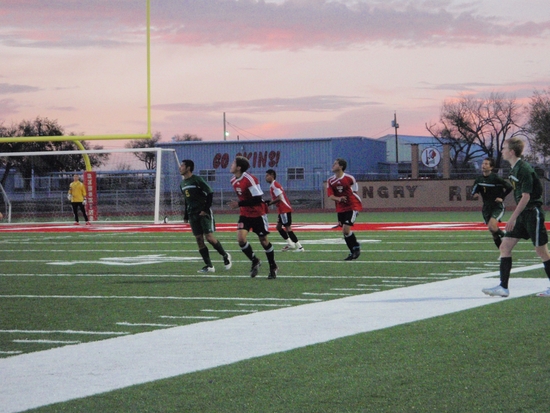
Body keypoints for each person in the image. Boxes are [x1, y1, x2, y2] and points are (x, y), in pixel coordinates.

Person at [482, 137, 550, 298]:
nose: (502, 151)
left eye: (504, 148)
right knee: (504, 247)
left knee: (542, 251)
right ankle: (503, 287)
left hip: (533, 213)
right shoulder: (514, 169)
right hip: (523, 215)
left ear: (511, 152)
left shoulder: (524, 169)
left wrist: (512, 218)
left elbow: (526, 196)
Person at [228, 156, 278, 279]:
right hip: (245, 214)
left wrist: (238, 204)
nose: (231, 165)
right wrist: (240, 205)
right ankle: (255, 260)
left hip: (258, 214)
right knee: (241, 239)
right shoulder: (233, 180)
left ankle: (273, 266)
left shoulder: (250, 179)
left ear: (239, 167)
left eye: (233, 163)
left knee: (264, 241)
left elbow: (256, 199)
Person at [179, 160, 232, 273]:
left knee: (209, 237)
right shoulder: (182, 184)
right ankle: (209, 266)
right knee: (199, 239)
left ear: (188, 168)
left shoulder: (197, 180)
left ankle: (225, 255)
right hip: (192, 214)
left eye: (182, 165)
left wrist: (205, 209)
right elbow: (186, 200)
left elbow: (210, 193)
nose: (180, 167)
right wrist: (185, 215)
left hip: (203, 213)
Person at [471, 157, 513, 248]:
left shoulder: (496, 178)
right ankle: (503, 252)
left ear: (491, 167)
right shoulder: (479, 179)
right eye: (483, 164)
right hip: (486, 208)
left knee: (492, 227)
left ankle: (507, 236)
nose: (483, 166)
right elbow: (474, 190)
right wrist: (475, 194)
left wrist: (501, 197)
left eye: (486, 164)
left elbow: (509, 187)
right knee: (493, 233)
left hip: (497, 206)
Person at [326, 158, 362, 260]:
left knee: (346, 229)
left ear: (341, 167)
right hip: (341, 208)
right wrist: (339, 199)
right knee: (345, 231)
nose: (333, 165)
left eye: (335, 164)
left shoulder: (350, 178)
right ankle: (353, 250)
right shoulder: (330, 181)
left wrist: (356, 208)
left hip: (352, 206)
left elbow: (355, 192)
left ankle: (355, 248)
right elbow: (331, 196)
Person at [265, 169, 304, 252]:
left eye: (267, 175)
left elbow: (280, 198)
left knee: (288, 228)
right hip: (281, 209)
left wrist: (270, 203)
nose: (266, 178)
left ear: (272, 175)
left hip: (284, 209)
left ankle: (300, 247)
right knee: (278, 227)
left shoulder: (274, 185)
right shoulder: (273, 185)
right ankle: (290, 244)